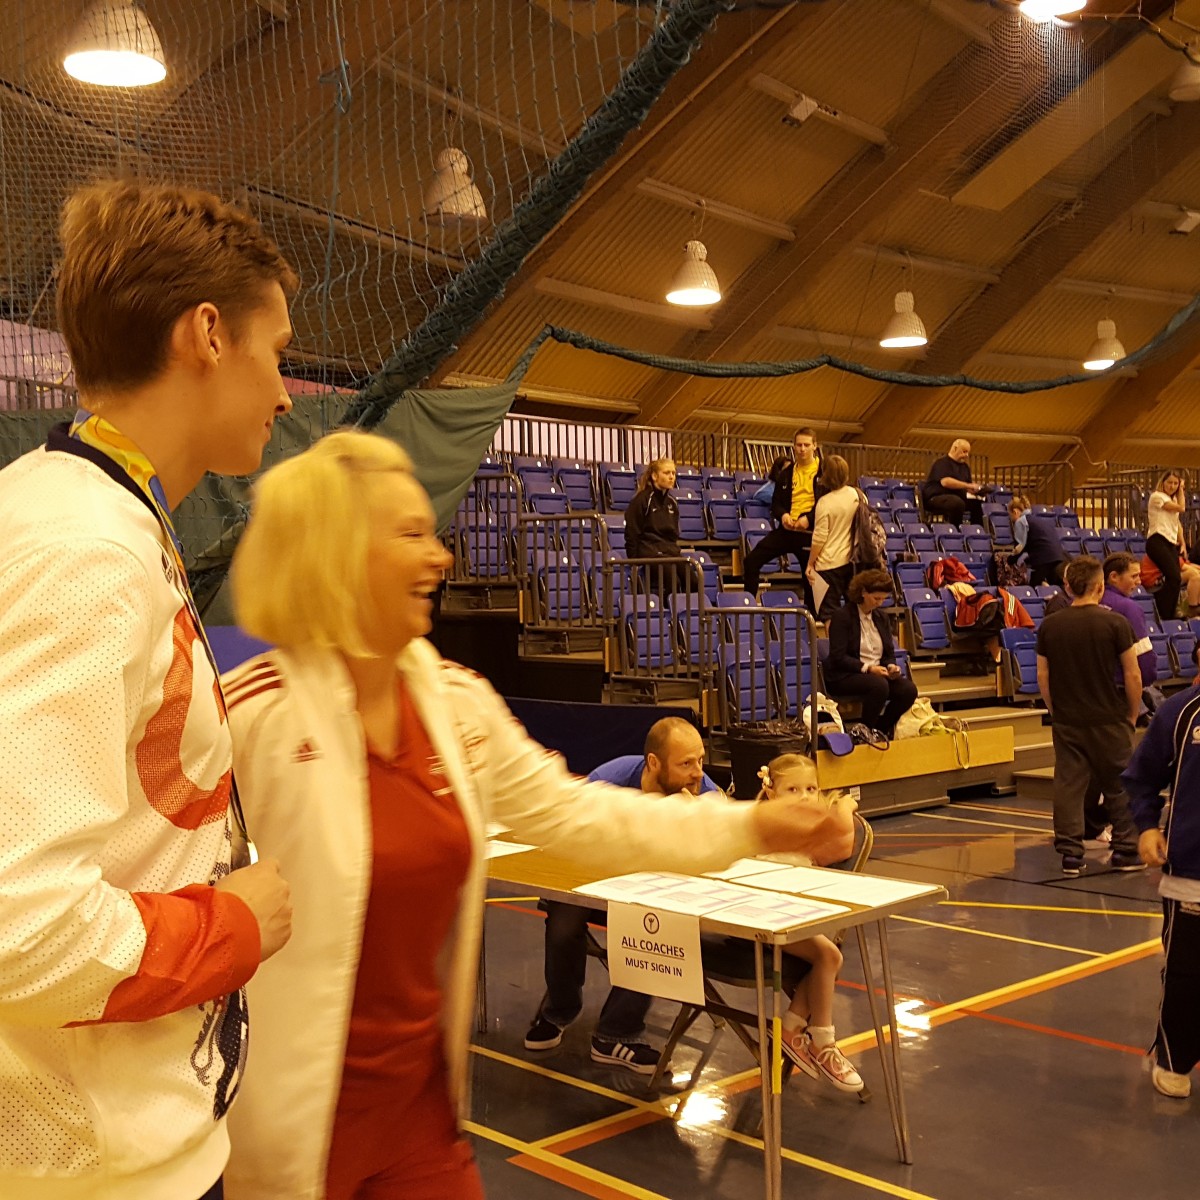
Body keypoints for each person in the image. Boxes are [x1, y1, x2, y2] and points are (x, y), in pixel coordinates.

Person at [220, 430, 856, 1200]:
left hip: (420, 1118)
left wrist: (748, 828)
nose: (441, 556)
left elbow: (576, 815)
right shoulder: (250, 719)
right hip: (294, 1136)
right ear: (336, 555)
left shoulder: (455, 701)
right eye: (411, 534)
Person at [0, 180, 296, 1200]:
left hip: (133, 1141)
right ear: (208, 334)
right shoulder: (78, 548)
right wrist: (233, 929)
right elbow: (16, 924)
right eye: (278, 349)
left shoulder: (101, 513)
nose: (288, 389)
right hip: (93, 1172)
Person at [525, 718, 719, 1073]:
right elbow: (568, 840)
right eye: (686, 763)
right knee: (564, 919)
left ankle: (618, 1034)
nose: (697, 773)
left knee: (657, 920)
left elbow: (723, 836)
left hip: (653, 893)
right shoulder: (607, 783)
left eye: (701, 761)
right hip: (593, 878)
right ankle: (559, 1010)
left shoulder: (701, 791)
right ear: (654, 763)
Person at [756, 755, 864, 1094]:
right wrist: (845, 806)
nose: (804, 797)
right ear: (771, 793)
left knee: (830, 958)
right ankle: (822, 1041)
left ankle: (791, 1026)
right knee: (830, 958)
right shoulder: (770, 821)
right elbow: (843, 839)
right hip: (759, 918)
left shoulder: (806, 825)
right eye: (793, 789)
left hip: (790, 914)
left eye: (811, 788)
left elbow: (841, 846)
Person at [1035, 556, 1146, 877]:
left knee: (1068, 786)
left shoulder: (1051, 624)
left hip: (1068, 718)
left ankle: (1070, 854)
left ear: (1068, 587)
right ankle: (1126, 849)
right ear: (1100, 587)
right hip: (1110, 717)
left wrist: (1055, 710)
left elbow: (1044, 675)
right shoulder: (1114, 623)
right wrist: (1132, 712)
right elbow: (1132, 674)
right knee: (1120, 783)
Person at [1125, 679, 1200, 1098]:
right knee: (1187, 975)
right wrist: (1148, 826)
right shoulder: (1181, 713)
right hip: (1191, 874)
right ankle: (1173, 1058)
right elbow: (1141, 777)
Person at [1082, 553, 1159, 843]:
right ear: (1113, 577)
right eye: (1134, 576)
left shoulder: (1072, 610)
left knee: (1087, 767)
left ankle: (1088, 828)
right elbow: (1145, 664)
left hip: (1083, 697)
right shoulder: (1127, 609)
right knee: (1120, 767)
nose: (1139, 583)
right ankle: (1125, 836)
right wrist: (1136, 703)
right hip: (1115, 696)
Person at [822, 570, 918, 736]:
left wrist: (891, 666)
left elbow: (888, 652)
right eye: (876, 598)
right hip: (845, 674)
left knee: (908, 689)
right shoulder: (842, 616)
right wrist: (868, 668)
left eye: (883, 598)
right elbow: (838, 657)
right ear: (863, 593)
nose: (879, 603)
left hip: (876, 673)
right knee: (879, 685)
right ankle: (864, 730)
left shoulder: (881, 617)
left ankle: (880, 729)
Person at [743, 427, 826, 599]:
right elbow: (776, 503)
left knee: (809, 577)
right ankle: (748, 606)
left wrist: (808, 519)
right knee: (751, 560)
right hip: (787, 530)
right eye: (799, 445)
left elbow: (827, 504)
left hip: (809, 533)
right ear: (794, 446)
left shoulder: (824, 472)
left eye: (806, 445)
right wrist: (783, 516)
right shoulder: (786, 473)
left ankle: (814, 617)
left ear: (815, 446)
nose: (802, 449)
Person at [805, 453, 859, 619]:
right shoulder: (857, 495)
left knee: (829, 613)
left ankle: (834, 644)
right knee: (854, 610)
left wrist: (810, 563)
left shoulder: (825, 502)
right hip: (852, 561)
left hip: (828, 564)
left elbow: (819, 537)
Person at [624, 456, 687, 591]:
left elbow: (673, 535)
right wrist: (633, 561)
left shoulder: (672, 502)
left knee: (693, 580)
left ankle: (692, 612)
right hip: (650, 552)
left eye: (673, 473)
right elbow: (632, 531)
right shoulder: (642, 500)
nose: (671, 477)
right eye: (666, 473)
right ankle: (669, 611)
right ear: (654, 476)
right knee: (672, 580)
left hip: (669, 553)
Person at [1145, 470, 1200, 620]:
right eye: (1170, 482)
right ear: (1163, 482)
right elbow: (1181, 508)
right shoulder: (1157, 497)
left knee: (1175, 579)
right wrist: (1181, 490)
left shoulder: (1172, 499)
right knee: (1174, 577)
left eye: (1176, 483)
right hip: (1157, 540)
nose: (1172, 486)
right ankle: (1165, 612)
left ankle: (1171, 611)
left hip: (1170, 542)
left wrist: (1182, 543)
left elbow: (1176, 524)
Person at [922, 438, 988, 526]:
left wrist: (977, 490)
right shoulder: (941, 463)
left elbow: (968, 487)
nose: (966, 455)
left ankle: (977, 532)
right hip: (936, 497)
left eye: (967, 452)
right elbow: (945, 482)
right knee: (956, 503)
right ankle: (956, 530)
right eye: (964, 452)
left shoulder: (965, 467)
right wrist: (967, 485)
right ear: (955, 448)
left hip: (958, 497)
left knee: (978, 503)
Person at [1008, 496, 1065, 587]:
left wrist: (1010, 560)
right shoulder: (1039, 519)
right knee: (1053, 586)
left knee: (1034, 585)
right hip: (1058, 555)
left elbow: (1020, 546)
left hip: (1043, 557)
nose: (1011, 519)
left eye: (1011, 515)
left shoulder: (1021, 521)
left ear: (1015, 512)